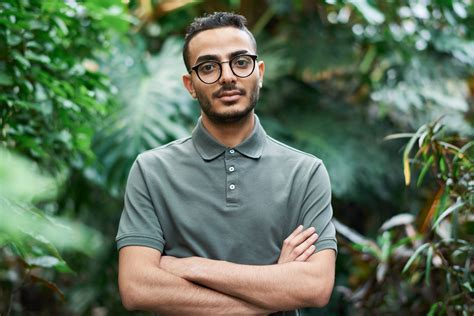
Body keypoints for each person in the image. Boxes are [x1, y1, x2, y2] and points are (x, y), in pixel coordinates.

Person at [116, 12, 337, 315]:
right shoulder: (151, 170)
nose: (228, 76)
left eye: (241, 62)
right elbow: (138, 288)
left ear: (259, 72)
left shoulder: (306, 173)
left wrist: (191, 267)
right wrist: (274, 288)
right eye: (208, 67)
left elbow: (314, 286)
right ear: (190, 84)